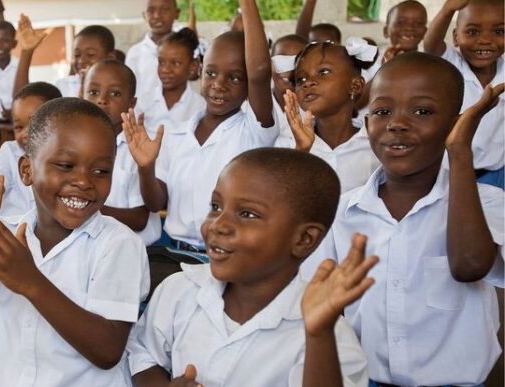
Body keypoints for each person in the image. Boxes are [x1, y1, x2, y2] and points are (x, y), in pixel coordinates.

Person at [301, 52, 505, 386]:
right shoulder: (341, 212)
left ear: (456, 124)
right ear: (367, 125)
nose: (397, 123)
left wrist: (460, 151)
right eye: (382, 111)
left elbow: (470, 265)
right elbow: (321, 309)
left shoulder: (486, 204)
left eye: (422, 111)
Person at [0, 98, 150, 386]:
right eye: (66, 165)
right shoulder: (3, 237)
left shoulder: (119, 244)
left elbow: (108, 351)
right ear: (27, 171)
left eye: (101, 171)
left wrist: (30, 281)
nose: (83, 181)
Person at [127, 148, 375, 386]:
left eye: (247, 214)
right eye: (216, 207)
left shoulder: (328, 335)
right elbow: (143, 354)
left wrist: (319, 336)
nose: (218, 225)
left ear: (304, 239)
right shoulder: (179, 289)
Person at [122, 0, 278, 255]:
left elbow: (260, 70)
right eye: (212, 73)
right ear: (200, 72)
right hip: (175, 254)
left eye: (235, 77)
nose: (219, 84)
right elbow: (155, 202)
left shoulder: (253, 130)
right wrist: (146, 168)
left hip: (228, 256)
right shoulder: (175, 134)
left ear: (249, 84)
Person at [275, 38, 380, 193]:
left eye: (323, 72)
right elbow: (277, 198)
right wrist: (301, 151)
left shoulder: (375, 145)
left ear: (355, 85)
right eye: (301, 79)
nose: (308, 83)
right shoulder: (288, 143)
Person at [424, 0, 504, 189]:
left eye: (499, 31)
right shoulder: (451, 65)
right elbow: (431, 45)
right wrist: (448, 9)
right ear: (455, 37)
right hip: (448, 172)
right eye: (473, 31)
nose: (485, 40)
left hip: (496, 173)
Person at [83, 60, 162, 246]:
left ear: (131, 103)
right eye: (93, 92)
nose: (102, 100)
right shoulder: (75, 144)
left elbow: (139, 219)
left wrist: (85, 207)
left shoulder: (139, 149)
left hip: (133, 249)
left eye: (115, 93)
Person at [0, 81, 61, 218]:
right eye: (19, 127)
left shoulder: (66, 158)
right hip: (11, 228)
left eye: (34, 124)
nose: (25, 133)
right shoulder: (9, 151)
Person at [13, 15, 116, 98]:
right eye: (76, 55)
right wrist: (27, 52)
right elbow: (23, 101)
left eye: (90, 54)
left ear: (110, 57)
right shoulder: (64, 86)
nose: (81, 60)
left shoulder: (118, 87)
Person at [136, 27, 206, 139]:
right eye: (161, 62)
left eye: (175, 63)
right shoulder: (142, 104)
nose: (165, 69)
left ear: (193, 66)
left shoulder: (201, 108)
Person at [126, 0, 180, 99]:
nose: (157, 15)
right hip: (143, 113)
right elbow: (129, 89)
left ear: (177, 13)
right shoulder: (135, 53)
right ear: (144, 15)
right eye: (151, 10)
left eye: (164, 9)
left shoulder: (187, 49)